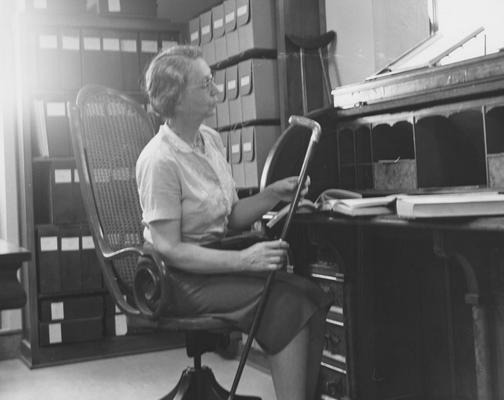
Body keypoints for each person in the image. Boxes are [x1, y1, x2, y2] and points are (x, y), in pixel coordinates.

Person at [136, 45, 331, 400]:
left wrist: (273, 194)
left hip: (214, 260)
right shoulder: (158, 160)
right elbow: (170, 249)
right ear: (176, 100)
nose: (217, 91)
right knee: (285, 302)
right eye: (205, 84)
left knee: (310, 295)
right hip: (178, 277)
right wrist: (245, 260)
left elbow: (232, 215)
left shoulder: (209, 139)